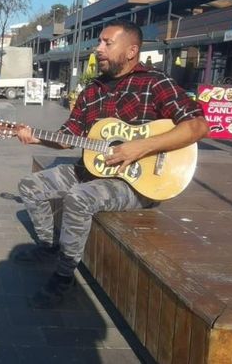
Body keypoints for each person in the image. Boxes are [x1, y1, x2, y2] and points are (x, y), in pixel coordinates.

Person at [14, 19, 209, 308]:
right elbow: (70, 137)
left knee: (79, 197)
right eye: (99, 42)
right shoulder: (92, 90)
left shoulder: (155, 83)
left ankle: (64, 275)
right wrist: (37, 138)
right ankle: (48, 247)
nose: (98, 48)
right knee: (29, 186)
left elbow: (197, 126)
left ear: (131, 51)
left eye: (107, 43)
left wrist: (140, 146)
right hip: (91, 168)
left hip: (136, 181)